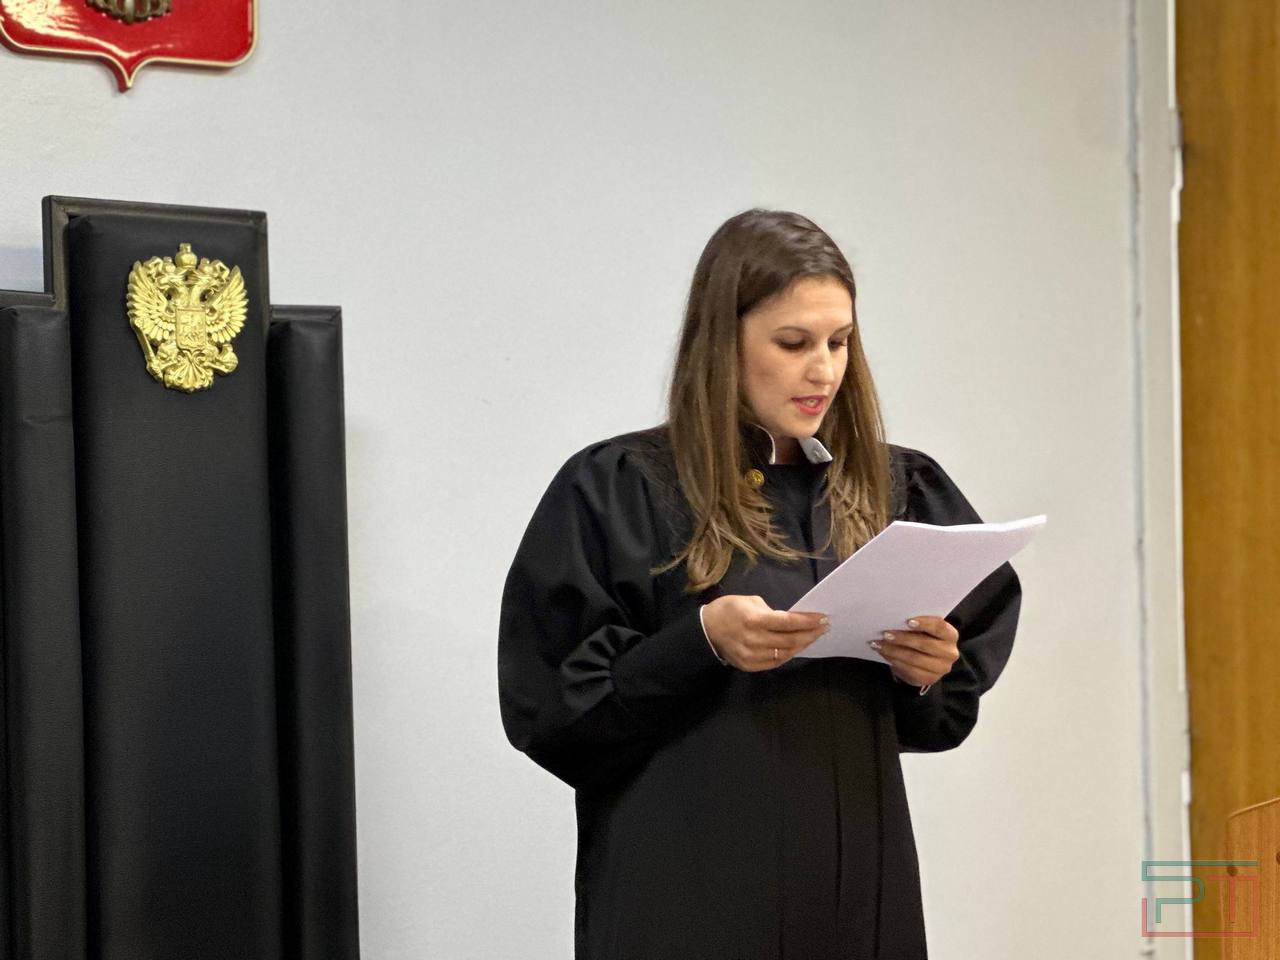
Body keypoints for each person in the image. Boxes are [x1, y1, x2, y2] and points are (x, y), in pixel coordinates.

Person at [497, 208, 1022, 960]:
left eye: (840, 342)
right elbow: (553, 716)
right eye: (793, 343)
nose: (825, 370)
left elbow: (939, 716)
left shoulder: (897, 488)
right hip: (682, 900)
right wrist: (699, 643)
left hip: (852, 897)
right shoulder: (620, 488)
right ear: (723, 342)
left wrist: (925, 672)